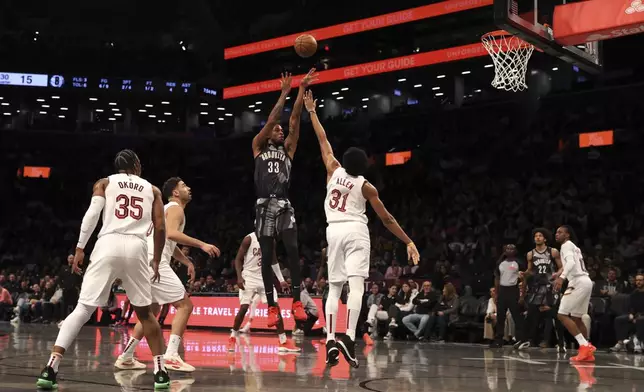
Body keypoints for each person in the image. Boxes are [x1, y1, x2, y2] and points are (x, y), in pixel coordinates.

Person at [304, 90, 419, 368]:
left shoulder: (333, 169)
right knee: (356, 286)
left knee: (334, 289)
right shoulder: (367, 186)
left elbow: (323, 139)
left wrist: (312, 111)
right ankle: (349, 335)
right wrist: (408, 241)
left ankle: (331, 337)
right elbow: (388, 219)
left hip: (333, 231)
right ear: (364, 165)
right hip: (356, 230)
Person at [37, 149, 170, 390]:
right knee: (145, 314)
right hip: (136, 247)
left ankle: (50, 367)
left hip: (107, 243)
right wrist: (157, 259)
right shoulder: (153, 189)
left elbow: (92, 214)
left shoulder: (105, 183)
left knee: (83, 308)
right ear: (137, 165)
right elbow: (160, 228)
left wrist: (79, 248)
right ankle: (161, 372)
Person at [115, 177, 219, 372]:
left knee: (151, 312)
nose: (189, 188)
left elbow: (167, 240)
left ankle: (126, 356)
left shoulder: (165, 209)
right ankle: (171, 355)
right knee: (185, 305)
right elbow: (171, 234)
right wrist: (202, 245)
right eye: (184, 186)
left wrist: (186, 260)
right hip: (153, 261)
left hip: (142, 260)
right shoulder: (175, 208)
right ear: (176, 193)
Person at [251, 69, 318, 328]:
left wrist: (300, 90)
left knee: (292, 249)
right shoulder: (258, 146)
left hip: (283, 203)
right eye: (275, 129)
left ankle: (297, 303)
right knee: (267, 256)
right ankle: (271, 307)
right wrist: (283, 93)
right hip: (263, 204)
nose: (280, 130)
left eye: (280, 129)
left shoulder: (288, 150)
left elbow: (294, 121)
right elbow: (272, 120)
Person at [229, 232, 298, 353]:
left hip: (264, 278)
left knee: (275, 307)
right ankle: (233, 337)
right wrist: (239, 277)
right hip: (248, 277)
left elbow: (274, 261)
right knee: (244, 308)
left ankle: (283, 341)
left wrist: (281, 280)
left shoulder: (271, 240)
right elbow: (238, 259)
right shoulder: (248, 239)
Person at [554, 225, 596, 361]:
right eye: (556, 232)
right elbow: (572, 263)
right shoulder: (574, 247)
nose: (557, 234)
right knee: (577, 318)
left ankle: (584, 346)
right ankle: (587, 351)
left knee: (562, 314)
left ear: (567, 235)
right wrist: (558, 273)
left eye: (560, 232)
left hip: (577, 282)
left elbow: (571, 263)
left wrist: (561, 277)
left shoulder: (566, 245)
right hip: (586, 281)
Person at [523, 228, 562, 347]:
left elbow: (562, 267)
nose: (538, 237)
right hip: (536, 286)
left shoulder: (553, 251)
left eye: (540, 236)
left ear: (545, 238)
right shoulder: (530, 254)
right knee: (532, 314)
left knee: (552, 314)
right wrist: (523, 274)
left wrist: (557, 276)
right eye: (536, 236)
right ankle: (530, 340)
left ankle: (556, 341)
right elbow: (530, 271)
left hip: (550, 286)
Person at [490, 244, 527, 349]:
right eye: (507, 249)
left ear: (515, 251)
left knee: (516, 316)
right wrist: (496, 293)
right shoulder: (500, 263)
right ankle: (499, 340)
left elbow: (524, 280)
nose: (509, 250)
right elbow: (497, 278)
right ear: (504, 251)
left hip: (513, 290)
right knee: (500, 316)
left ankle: (521, 339)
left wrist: (522, 296)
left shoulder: (519, 263)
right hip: (502, 290)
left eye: (512, 249)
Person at [610, 273, 644, 353]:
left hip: (642, 316)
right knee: (619, 319)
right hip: (635, 315)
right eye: (637, 280)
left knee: (640, 319)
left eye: (640, 280)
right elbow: (631, 306)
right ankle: (620, 343)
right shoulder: (634, 293)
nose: (638, 282)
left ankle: (638, 342)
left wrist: (638, 316)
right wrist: (631, 314)